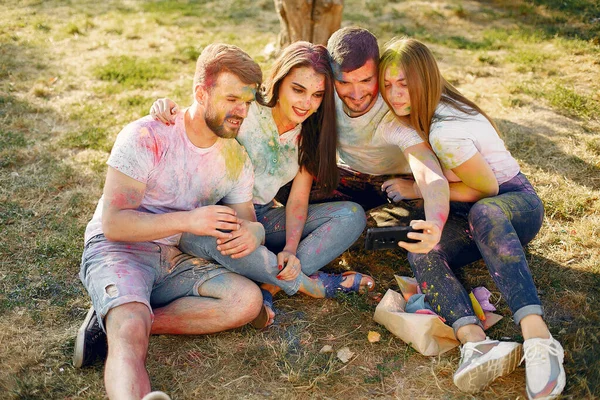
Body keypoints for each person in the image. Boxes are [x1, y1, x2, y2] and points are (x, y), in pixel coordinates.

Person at [73, 43, 268, 400]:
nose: (241, 111)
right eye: (231, 99)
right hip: (120, 248)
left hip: (174, 258)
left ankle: (113, 319)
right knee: (131, 330)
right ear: (200, 94)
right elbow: (114, 224)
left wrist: (254, 232)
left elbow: (249, 221)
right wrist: (190, 220)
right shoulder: (147, 136)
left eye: (247, 103)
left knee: (246, 301)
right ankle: (126, 324)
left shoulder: (236, 159)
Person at [379, 37, 565, 399]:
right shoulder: (419, 113)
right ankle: (475, 343)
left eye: (403, 83)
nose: (395, 94)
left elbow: (487, 189)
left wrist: (415, 189)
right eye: (388, 84)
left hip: (512, 204)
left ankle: (538, 337)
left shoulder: (445, 130)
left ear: (425, 78)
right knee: (422, 247)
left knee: (484, 212)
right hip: (466, 211)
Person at [150, 41, 374, 328]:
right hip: (212, 219)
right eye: (298, 89)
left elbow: (297, 199)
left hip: (263, 219)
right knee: (210, 238)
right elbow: (204, 115)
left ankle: (270, 287)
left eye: (317, 95)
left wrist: (291, 249)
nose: (307, 103)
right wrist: (166, 107)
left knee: (351, 216)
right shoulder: (248, 109)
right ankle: (310, 285)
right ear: (280, 82)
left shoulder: (310, 133)